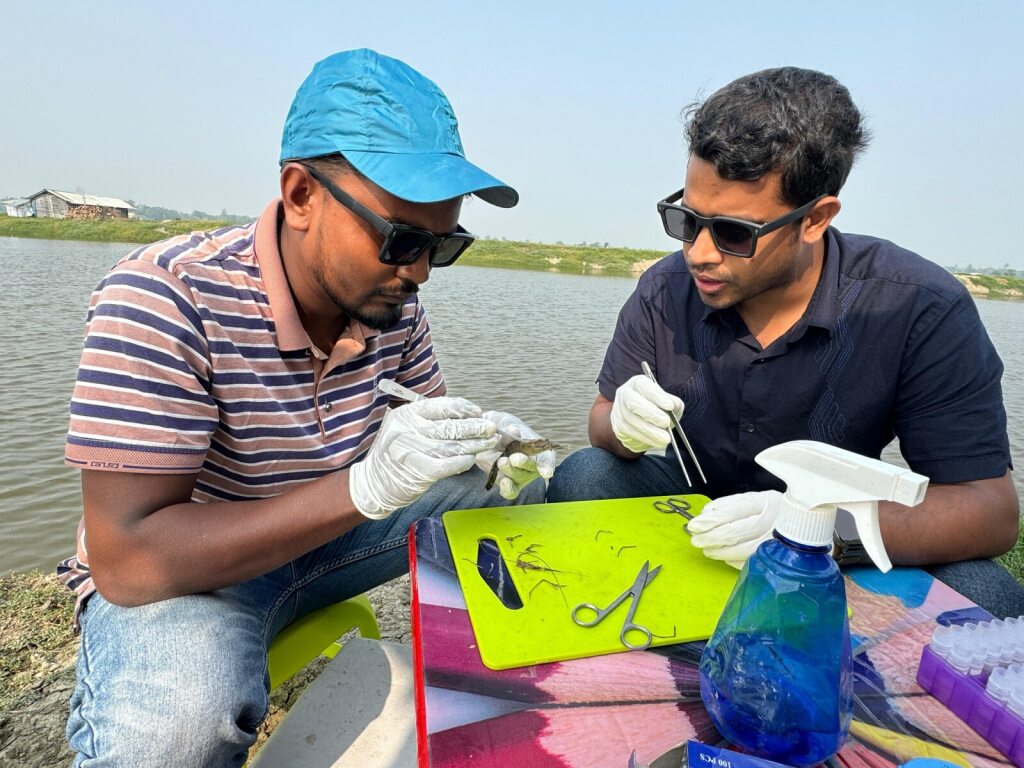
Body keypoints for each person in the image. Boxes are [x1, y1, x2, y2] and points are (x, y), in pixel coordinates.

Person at [56, 48, 555, 766]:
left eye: (443, 245)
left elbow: (426, 440)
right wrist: (362, 488)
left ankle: (497, 681)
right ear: (300, 196)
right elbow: (128, 560)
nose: (419, 272)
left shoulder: (390, 304)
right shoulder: (167, 296)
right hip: (195, 573)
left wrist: (479, 445)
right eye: (401, 239)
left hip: (330, 538)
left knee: (509, 488)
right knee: (174, 732)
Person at [547, 66, 1023, 618]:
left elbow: (988, 510)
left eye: (734, 232)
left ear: (815, 219)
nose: (699, 253)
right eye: (687, 220)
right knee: (587, 474)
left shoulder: (917, 307)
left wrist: (817, 528)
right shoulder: (664, 288)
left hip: (831, 535)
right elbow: (603, 421)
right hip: (692, 512)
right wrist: (621, 424)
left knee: (986, 594)